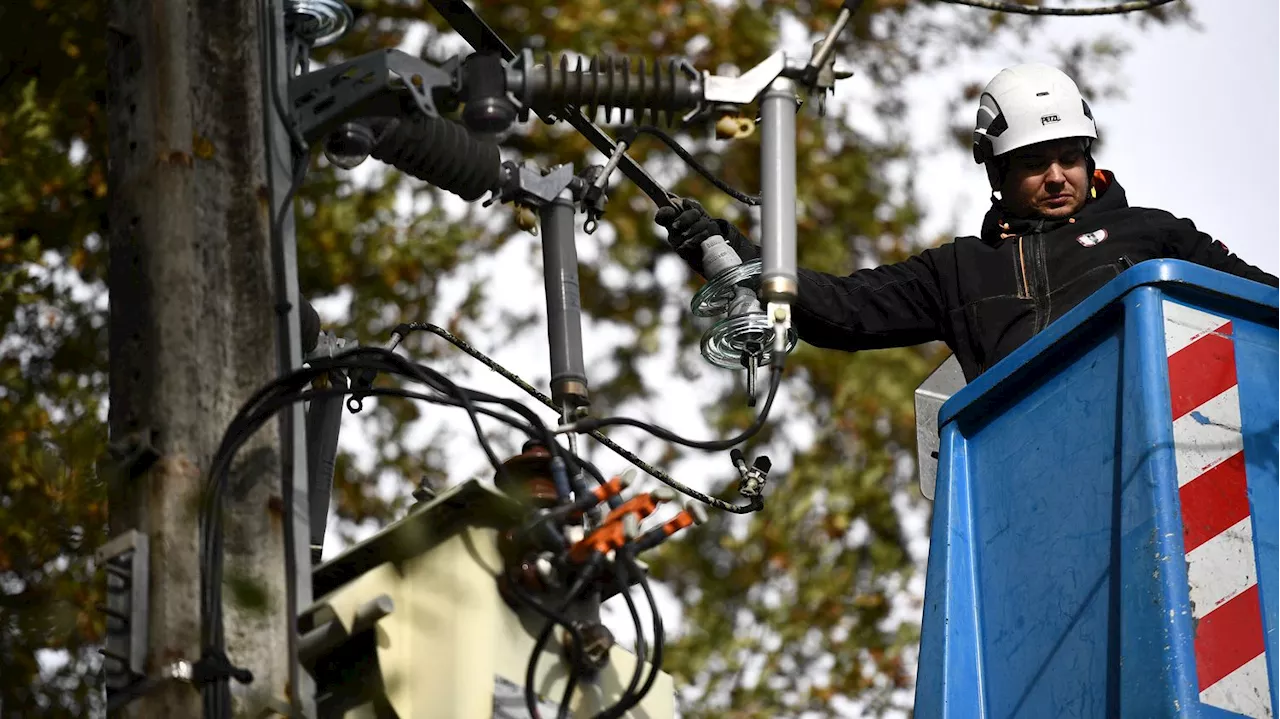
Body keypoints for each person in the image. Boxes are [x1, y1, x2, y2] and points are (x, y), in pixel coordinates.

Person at [656, 63, 1280, 382]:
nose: (1058, 177)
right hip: (1028, 466)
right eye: (1036, 164)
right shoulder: (959, 271)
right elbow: (841, 310)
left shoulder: (1154, 235)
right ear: (996, 175)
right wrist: (728, 249)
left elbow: (1262, 304)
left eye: (1071, 158)